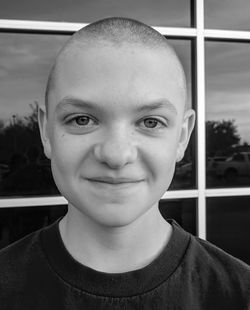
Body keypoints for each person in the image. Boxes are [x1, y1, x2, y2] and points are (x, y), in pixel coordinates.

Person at [0, 17, 249, 309]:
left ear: (182, 137)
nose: (116, 155)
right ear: (46, 131)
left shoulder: (240, 295)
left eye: (150, 121)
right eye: (82, 119)